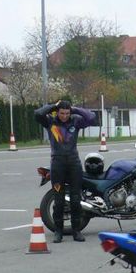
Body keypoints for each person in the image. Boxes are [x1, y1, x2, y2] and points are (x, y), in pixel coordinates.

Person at [34, 98, 96, 242]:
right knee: (59, 199)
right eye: (62, 113)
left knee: (75, 199)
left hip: (74, 164)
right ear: (57, 112)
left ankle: (76, 231)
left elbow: (91, 117)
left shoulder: (75, 121)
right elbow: (37, 114)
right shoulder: (50, 122)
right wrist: (52, 107)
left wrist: (75, 109)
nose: (64, 116)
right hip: (57, 164)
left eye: (67, 113)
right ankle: (58, 231)